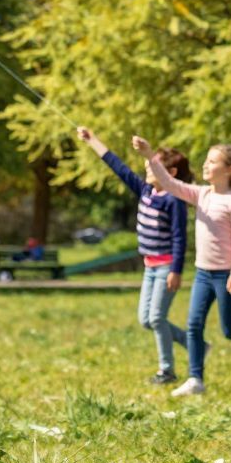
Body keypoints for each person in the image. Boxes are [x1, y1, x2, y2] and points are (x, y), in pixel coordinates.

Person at [141, 137, 231, 397]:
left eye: (212, 161)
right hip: (202, 273)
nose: (205, 165)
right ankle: (195, 379)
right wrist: (150, 154)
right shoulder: (202, 194)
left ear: (228, 169)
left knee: (230, 329)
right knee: (194, 325)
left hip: (225, 276)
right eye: (206, 160)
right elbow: (169, 183)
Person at [79, 128, 191, 385]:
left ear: (170, 173)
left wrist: (176, 270)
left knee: (156, 318)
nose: (147, 167)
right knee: (145, 320)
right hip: (149, 267)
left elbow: (179, 237)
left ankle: (167, 371)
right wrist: (92, 140)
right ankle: (194, 345)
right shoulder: (145, 191)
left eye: (154, 165)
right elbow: (117, 166)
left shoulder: (173, 201)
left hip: (165, 268)